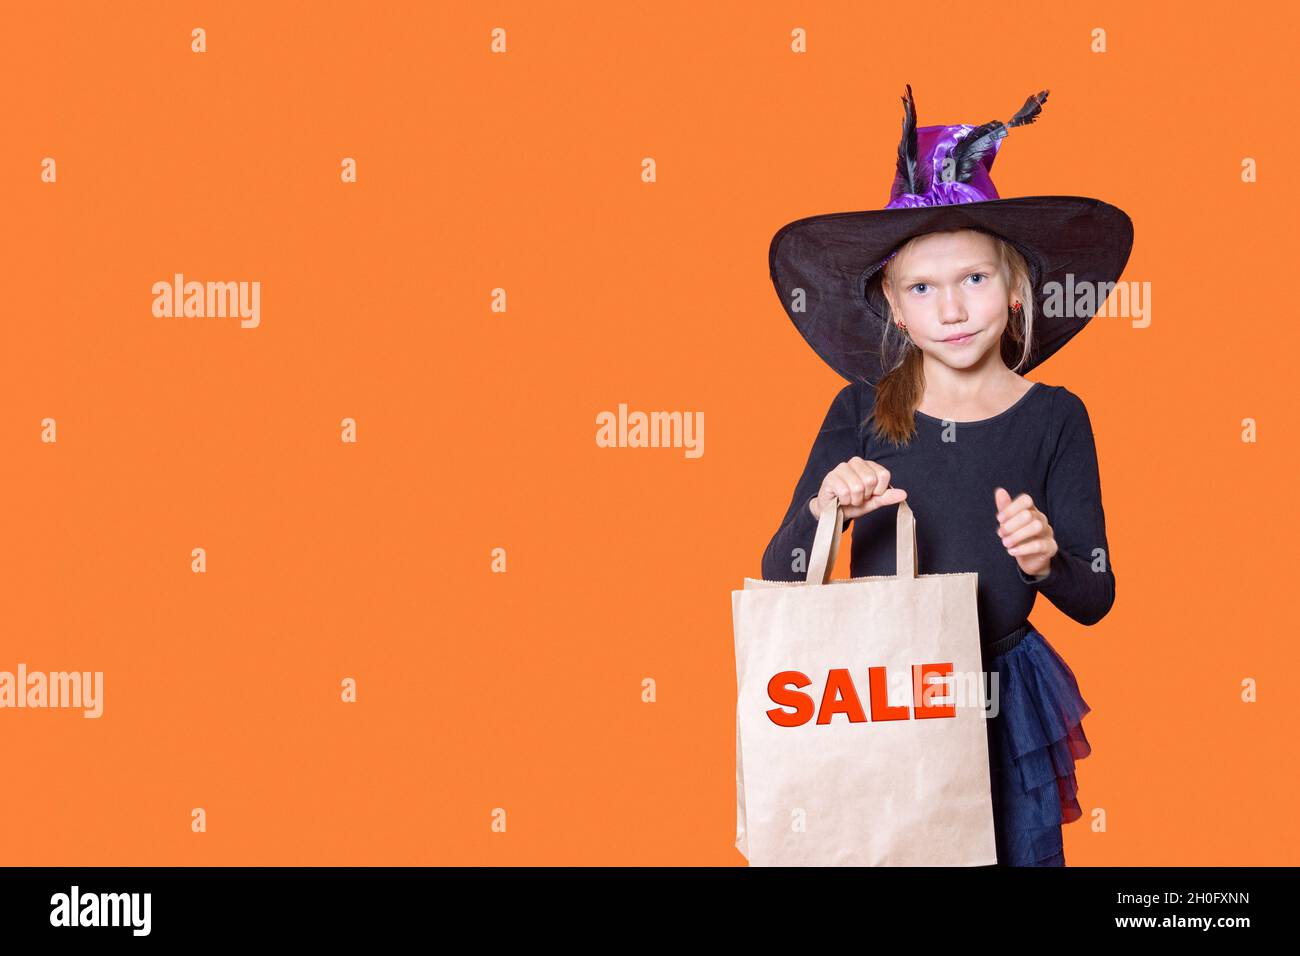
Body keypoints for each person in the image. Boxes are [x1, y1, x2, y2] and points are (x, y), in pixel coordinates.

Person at [761, 85, 1133, 866]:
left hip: (1002, 691)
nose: (953, 308)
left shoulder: (1056, 417)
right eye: (924, 288)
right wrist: (825, 505)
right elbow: (781, 570)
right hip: (881, 692)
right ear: (895, 309)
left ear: (1016, 287)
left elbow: (1094, 598)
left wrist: (1046, 561)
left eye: (974, 279)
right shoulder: (858, 410)